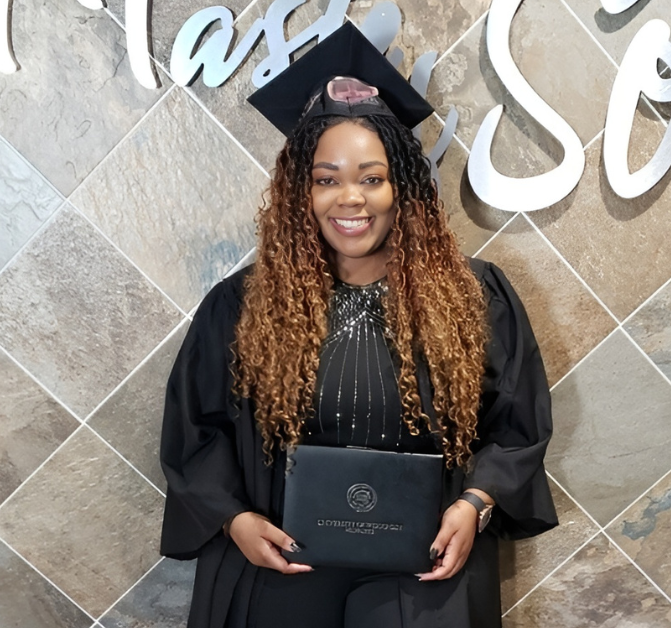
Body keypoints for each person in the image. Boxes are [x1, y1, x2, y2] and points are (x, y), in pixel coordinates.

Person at [159, 23, 558, 628]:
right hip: (283, 561)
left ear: (402, 188)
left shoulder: (474, 296)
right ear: (302, 191)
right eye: (327, 179)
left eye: (372, 178)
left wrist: (475, 504)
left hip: (422, 564)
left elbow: (516, 421)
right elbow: (197, 430)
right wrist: (233, 520)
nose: (351, 198)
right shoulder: (242, 305)